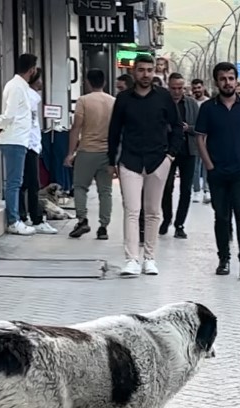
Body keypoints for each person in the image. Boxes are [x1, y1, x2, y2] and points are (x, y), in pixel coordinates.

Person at [107, 54, 182, 278]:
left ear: (154, 73)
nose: (146, 74)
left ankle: (149, 258)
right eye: (141, 70)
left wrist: (170, 156)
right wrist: (112, 161)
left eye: (150, 70)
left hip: (158, 161)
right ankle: (131, 259)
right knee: (131, 211)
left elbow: (177, 127)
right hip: (129, 161)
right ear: (134, 72)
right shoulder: (123, 99)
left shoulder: (164, 97)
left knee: (152, 212)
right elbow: (113, 131)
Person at [195, 61, 240, 278]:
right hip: (217, 171)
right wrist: (209, 165)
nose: (227, 82)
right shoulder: (208, 108)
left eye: (231, 78)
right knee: (222, 217)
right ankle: (223, 259)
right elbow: (200, 138)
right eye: (223, 79)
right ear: (216, 82)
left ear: (236, 81)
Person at [65, 68, 116, 240]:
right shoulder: (113, 101)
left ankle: (82, 220)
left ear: (87, 82)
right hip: (107, 152)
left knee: (80, 187)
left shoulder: (83, 101)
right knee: (105, 191)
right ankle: (103, 227)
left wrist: (70, 153)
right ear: (105, 82)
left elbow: (76, 128)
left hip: (86, 150)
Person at [0, 53, 40, 236]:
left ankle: (15, 218)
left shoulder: (19, 86)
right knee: (14, 182)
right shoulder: (16, 87)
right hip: (14, 139)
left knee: (16, 181)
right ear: (32, 69)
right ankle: (13, 220)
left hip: (19, 139)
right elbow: (10, 113)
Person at [159, 73, 198, 239]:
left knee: (186, 189)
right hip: (167, 151)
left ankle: (180, 224)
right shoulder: (162, 103)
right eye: (173, 88)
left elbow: (200, 127)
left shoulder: (191, 104)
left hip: (188, 151)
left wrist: (188, 128)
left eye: (180, 88)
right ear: (168, 87)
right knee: (166, 188)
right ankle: (167, 218)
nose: (176, 92)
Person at [18, 72, 58, 235]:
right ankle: (36, 218)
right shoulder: (31, 97)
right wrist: (34, 143)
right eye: (40, 78)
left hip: (29, 144)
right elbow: (31, 123)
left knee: (25, 183)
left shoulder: (31, 97)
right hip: (29, 144)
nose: (42, 82)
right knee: (32, 183)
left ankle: (23, 215)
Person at [190, 78, 211, 204]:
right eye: (194, 88)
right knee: (195, 167)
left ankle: (207, 190)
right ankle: (196, 191)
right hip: (194, 139)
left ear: (203, 87)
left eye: (199, 87)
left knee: (207, 165)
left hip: (209, 139)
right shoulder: (191, 103)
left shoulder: (209, 103)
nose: (197, 90)